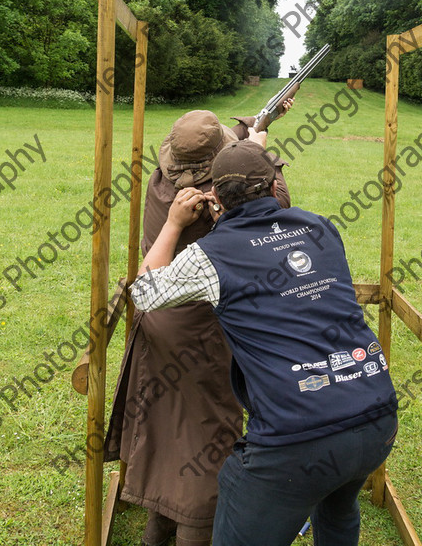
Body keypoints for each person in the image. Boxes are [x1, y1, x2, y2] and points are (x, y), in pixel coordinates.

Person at [130, 139, 399, 546]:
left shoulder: (211, 253)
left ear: (214, 198)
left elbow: (145, 293)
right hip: (376, 416)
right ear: (276, 187)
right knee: (338, 506)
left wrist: (173, 223)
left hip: (297, 440)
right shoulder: (321, 227)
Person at [104, 108, 292, 546]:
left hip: (157, 330)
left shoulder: (160, 185)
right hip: (204, 338)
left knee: (167, 432)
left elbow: (218, 159)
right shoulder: (220, 203)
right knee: (210, 441)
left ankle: (157, 530)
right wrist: (260, 149)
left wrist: (251, 130)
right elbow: (270, 198)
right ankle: (195, 530)